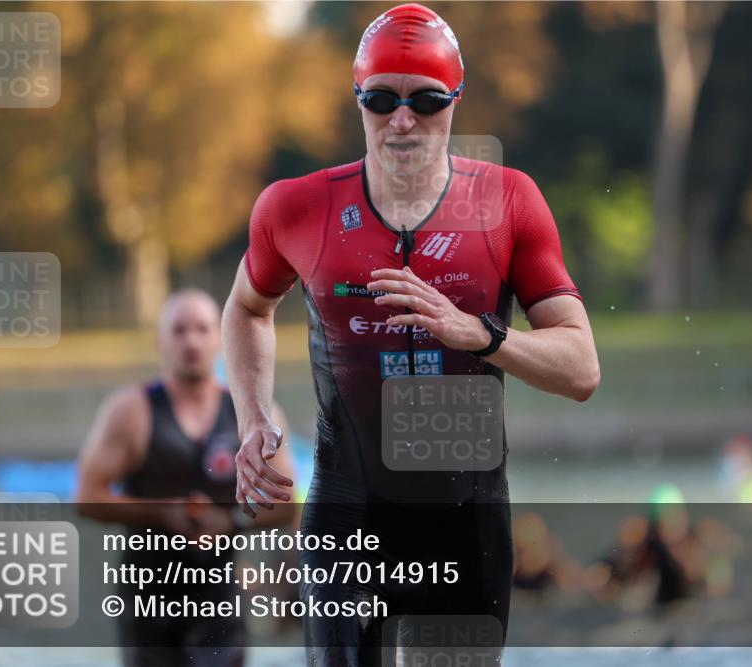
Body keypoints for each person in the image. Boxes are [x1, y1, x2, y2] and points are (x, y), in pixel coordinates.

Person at [222, 4, 599, 664]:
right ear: (357, 100)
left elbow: (581, 368)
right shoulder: (298, 206)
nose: (402, 119)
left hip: (465, 515)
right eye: (381, 99)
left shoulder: (509, 203)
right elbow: (247, 308)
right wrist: (252, 418)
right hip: (349, 508)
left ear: (455, 99)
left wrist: (477, 334)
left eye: (425, 100)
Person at [76, 288, 296, 667]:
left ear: (221, 337)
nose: (191, 341)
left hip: (221, 594)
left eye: (202, 329)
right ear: (161, 341)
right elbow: (86, 497)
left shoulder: (254, 416)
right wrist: (163, 514)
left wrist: (231, 520)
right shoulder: (130, 411)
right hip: (148, 596)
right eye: (179, 331)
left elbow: (285, 504)